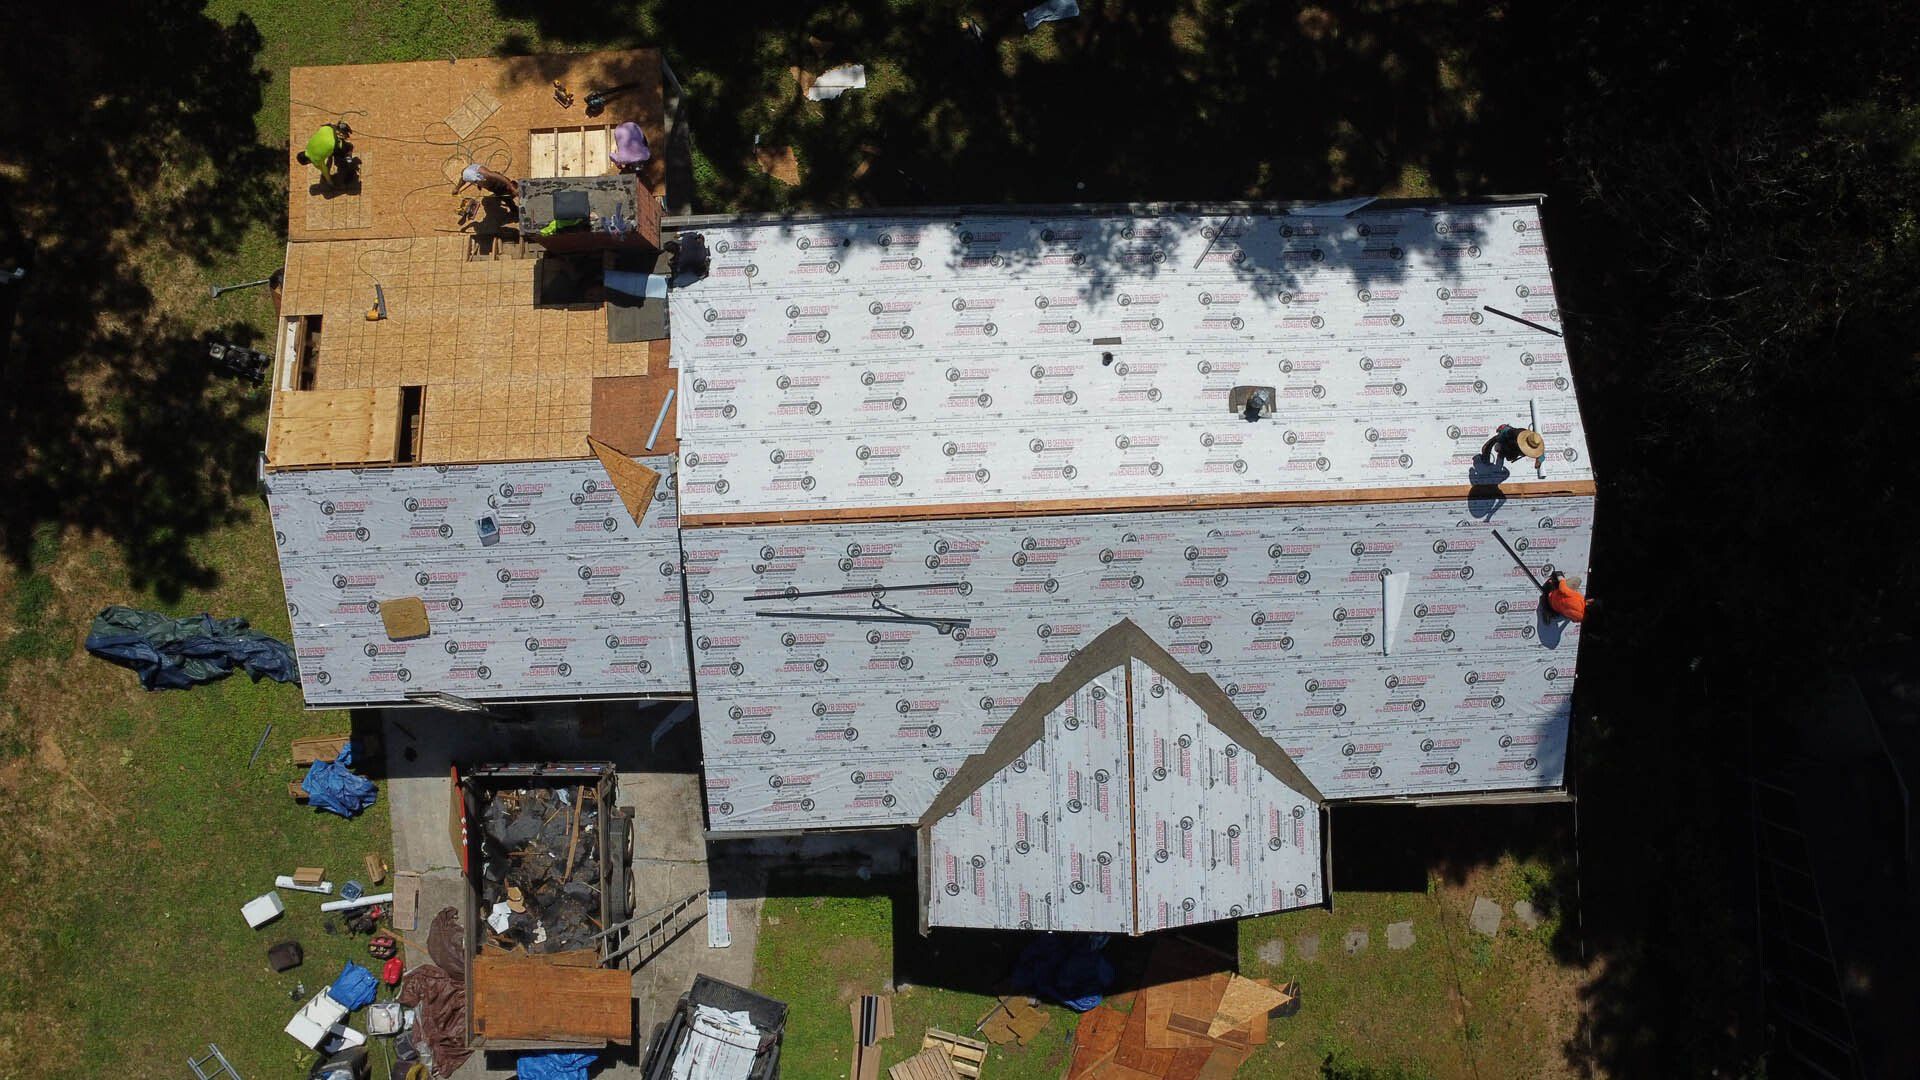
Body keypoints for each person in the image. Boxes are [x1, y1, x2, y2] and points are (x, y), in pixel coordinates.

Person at [1480, 423, 1545, 465]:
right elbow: (1495, 439)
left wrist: (1538, 462)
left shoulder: (1536, 442)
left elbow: (1541, 456)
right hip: (1508, 437)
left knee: (1509, 458)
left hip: (1515, 447)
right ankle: (1504, 428)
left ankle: (1504, 451)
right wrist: (1486, 454)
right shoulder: (1515, 433)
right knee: (1499, 446)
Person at [453, 162, 518, 200]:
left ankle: (513, 206)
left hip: (498, 184)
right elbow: (462, 180)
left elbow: (498, 177)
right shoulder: (469, 174)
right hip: (492, 186)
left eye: (475, 181)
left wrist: (511, 187)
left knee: (507, 197)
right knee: (502, 194)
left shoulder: (485, 174)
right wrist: (456, 189)